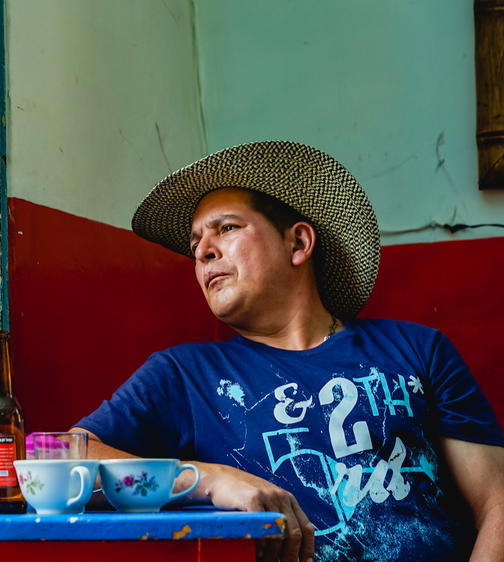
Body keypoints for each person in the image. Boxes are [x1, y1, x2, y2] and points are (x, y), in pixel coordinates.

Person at [73, 141, 504, 562]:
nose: (204, 252)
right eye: (195, 244)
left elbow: (497, 503)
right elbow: (66, 459)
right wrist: (205, 478)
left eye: (226, 228)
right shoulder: (183, 375)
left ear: (298, 243)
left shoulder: (418, 349)